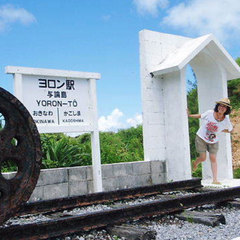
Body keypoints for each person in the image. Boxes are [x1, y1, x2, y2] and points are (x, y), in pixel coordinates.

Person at [187, 98, 233, 184]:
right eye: (220, 105)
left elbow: (230, 130)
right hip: (201, 138)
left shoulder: (226, 119)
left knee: (213, 158)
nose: (222, 108)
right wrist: (189, 116)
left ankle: (215, 179)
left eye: (225, 107)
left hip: (213, 140)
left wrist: (220, 130)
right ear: (218, 106)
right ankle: (196, 162)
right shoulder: (210, 113)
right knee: (203, 158)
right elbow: (200, 116)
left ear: (227, 109)